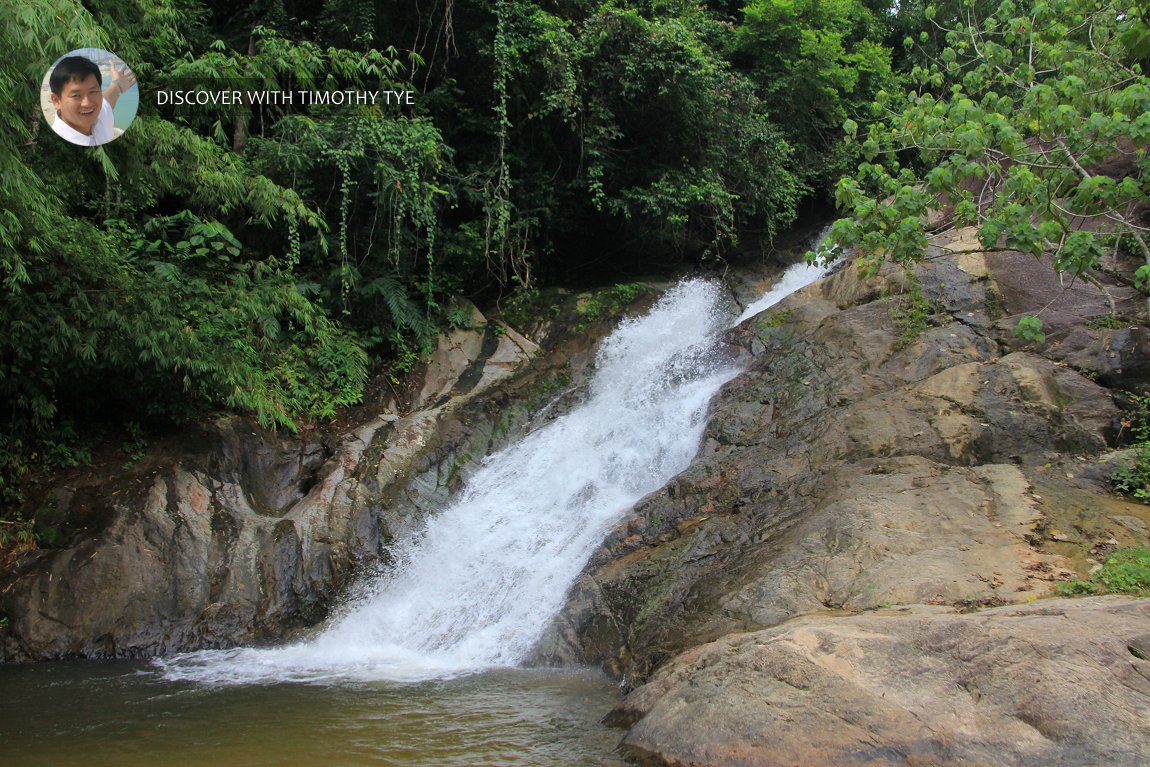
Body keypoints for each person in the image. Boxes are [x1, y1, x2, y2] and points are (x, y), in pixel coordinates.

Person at [48, 55, 136, 146]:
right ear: (56, 100)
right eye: (76, 95)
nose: (87, 103)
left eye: (93, 92)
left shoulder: (100, 115)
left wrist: (118, 85)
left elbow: (108, 99)